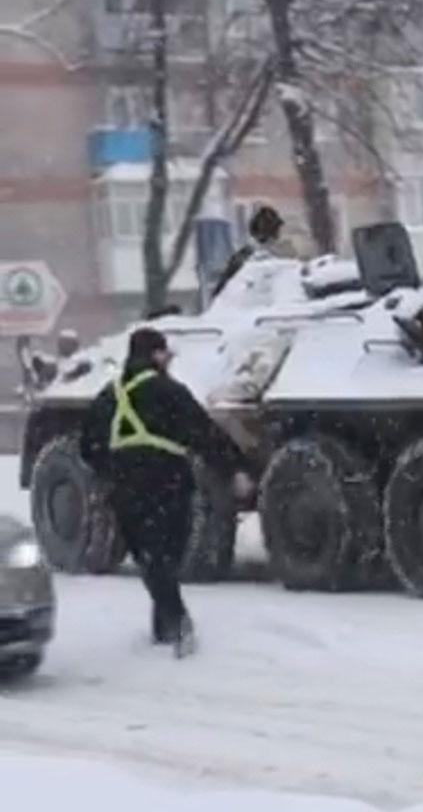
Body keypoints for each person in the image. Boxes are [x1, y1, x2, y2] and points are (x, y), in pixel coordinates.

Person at [78, 328, 244, 656]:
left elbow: (88, 446)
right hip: (168, 481)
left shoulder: (109, 396)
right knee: (168, 552)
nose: (169, 358)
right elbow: (204, 433)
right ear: (155, 355)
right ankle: (177, 621)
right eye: (165, 352)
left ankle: (163, 627)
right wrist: (233, 468)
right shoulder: (169, 391)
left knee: (150, 556)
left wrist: (111, 469)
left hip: (125, 486)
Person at [210, 204, 295, 299]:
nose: (279, 234)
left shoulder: (244, 256)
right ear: (271, 232)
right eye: (276, 230)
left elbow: (219, 291)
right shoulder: (252, 258)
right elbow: (222, 293)